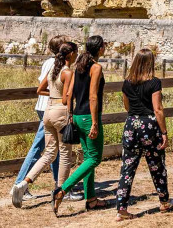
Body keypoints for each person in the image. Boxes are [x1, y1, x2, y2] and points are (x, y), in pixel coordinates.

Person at [11, 35, 82, 201]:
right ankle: (62, 191)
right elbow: (67, 98)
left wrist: (54, 95)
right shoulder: (68, 72)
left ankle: (23, 183)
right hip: (60, 112)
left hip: (48, 110)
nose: (78, 55)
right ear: (70, 54)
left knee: (49, 153)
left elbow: (40, 89)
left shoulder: (52, 69)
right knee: (64, 154)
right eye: (76, 52)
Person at [115, 49, 173, 221]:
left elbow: (126, 106)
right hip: (149, 125)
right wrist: (164, 132)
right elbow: (158, 109)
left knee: (127, 168)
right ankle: (164, 201)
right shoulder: (154, 83)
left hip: (131, 125)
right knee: (157, 165)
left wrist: (136, 117)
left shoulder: (126, 83)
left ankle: (121, 208)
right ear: (150, 63)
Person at [53, 35, 106, 215]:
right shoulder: (96, 67)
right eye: (104, 45)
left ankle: (90, 199)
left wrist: (70, 116)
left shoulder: (78, 67)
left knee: (88, 158)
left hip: (76, 116)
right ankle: (62, 189)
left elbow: (68, 95)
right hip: (89, 117)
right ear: (100, 49)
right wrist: (95, 123)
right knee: (94, 158)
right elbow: (93, 96)